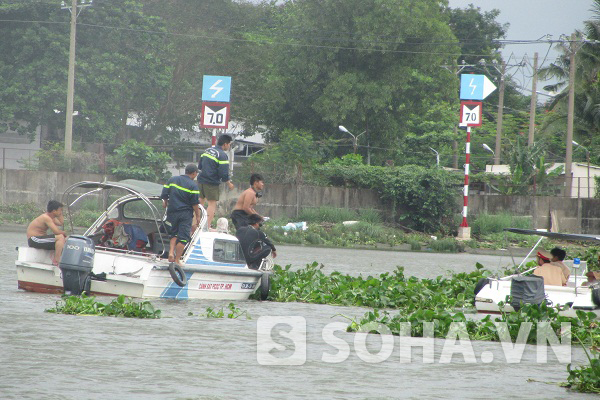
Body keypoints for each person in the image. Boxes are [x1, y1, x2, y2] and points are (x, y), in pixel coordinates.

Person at [161, 164, 202, 266]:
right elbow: (195, 204)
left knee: (173, 233)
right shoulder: (193, 186)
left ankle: (171, 252)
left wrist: (165, 202)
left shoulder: (172, 179)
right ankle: (177, 260)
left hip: (172, 212)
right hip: (185, 214)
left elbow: (164, 193)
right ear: (194, 173)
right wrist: (197, 216)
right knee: (183, 237)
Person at [197, 134, 235, 230]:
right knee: (211, 204)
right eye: (229, 144)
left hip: (201, 180)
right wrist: (229, 183)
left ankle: (195, 224)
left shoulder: (208, 150)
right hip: (211, 182)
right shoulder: (222, 155)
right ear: (225, 144)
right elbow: (223, 173)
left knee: (199, 202)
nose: (229, 146)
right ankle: (207, 226)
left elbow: (200, 165)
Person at [26, 200, 67, 266]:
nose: (61, 212)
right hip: (34, 239)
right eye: (60, 210)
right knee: (60, 237)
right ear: (54, 211)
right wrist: (63, 232)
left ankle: (57, 259)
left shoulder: (52, 217)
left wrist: (60, 213)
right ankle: (56, 261)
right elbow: (56, 232)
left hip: (41, 239)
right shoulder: (46, 218)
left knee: (64, 240)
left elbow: (61, 223)